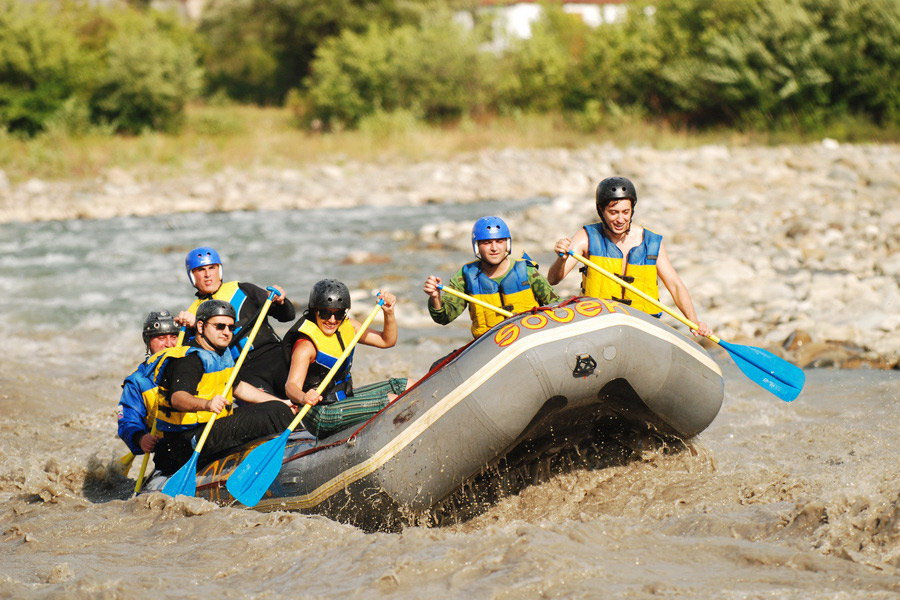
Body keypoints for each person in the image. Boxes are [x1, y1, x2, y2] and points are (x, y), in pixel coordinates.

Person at [547, 176, 711, 336]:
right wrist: (561, 259)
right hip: (599, 322)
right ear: (601, 211)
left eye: (626, 212)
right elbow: (553, 279)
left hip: (642, 324)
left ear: (632, 210)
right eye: (613, 212)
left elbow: (675, 285)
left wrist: (694, 321)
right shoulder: (585, 237)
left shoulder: (651, 242)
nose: (620, 219)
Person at [153, 300, 296, 475]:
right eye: (220, 326)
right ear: (200, 326)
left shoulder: (220, 353)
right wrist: (206, 404)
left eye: (231, 327)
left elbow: (239, 388)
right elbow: (178, 398)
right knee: (273, 415)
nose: (227, 332)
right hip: (188, 440)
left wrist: (282, 401)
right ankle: (294, 460)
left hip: (213, 426)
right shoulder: (189, 359)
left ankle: (286, 452)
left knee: (277, 408)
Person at [282, 280, 406, 439]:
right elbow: (290, 386)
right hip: (321, 414)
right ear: (315, 312)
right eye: (325, 313)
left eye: (339, 314)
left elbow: (386, 341)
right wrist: (303, 397)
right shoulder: (306, 346)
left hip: (344, 399)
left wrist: (388, 313)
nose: (332, 320)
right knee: (392, 401)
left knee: (407, 385)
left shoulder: (349, 326)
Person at [176, 246, 295, 397]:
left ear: (219, 271)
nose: (207, 275)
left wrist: (281, 302)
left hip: (274, 356)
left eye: (212, 268)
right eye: (200, 270)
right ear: (192, 275)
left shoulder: (243, 289)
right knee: (274, 410)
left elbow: (287, 316)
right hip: (243, 371)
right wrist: (192, 329)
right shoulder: (192, 315)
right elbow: (196, 359)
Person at [422, 216, 560, 339]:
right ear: (477, 247)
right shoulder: (465, 276)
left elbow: (557, 307)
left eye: (499, 241)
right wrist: (435, 297)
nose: (494, 248)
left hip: (528, 338)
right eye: (487, 243)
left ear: (507, 244)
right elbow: (443, 318)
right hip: (490, 345)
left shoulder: (527, 271)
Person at [116, 311, 179, 457]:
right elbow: (128, 421)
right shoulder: (137, 382)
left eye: (174, 337)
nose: (169, 344)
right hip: (168, 448)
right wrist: (140, 438)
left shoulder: (194, 365)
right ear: (148, 342)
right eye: (161, 338)